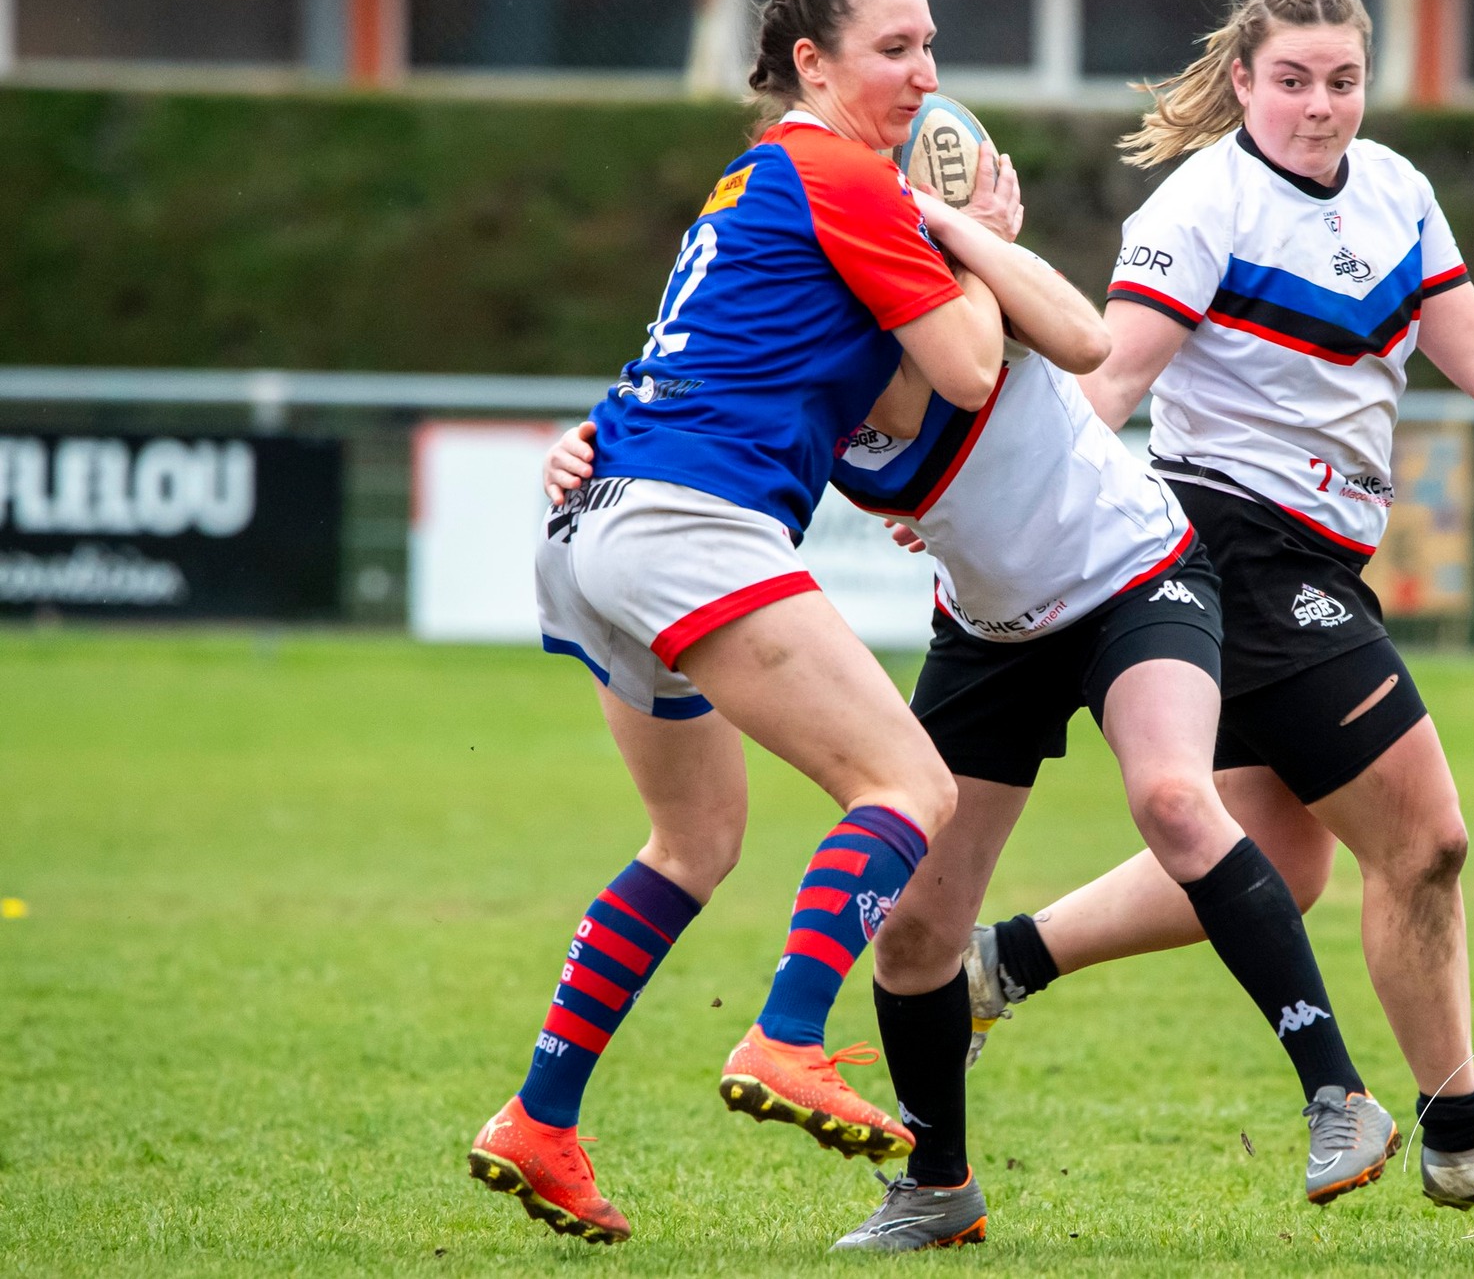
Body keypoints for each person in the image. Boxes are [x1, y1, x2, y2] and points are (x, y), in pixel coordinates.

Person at [960, 0, 1474, 1222]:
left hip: (1314, 557)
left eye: (1342, 81)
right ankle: (1465, 1134)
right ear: (1244, 82)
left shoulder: (1393, 190)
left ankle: (997, 964)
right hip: (1234, 545)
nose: (1320, 106)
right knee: (1426, 840)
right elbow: (1106, 381)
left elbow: (1472, 343)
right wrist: (981, 491)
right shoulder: (1200, 204)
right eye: (1292, 82)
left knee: (1275, 862)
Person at [542, 168, 1403, 1253]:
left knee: (1175, 797)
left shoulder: (956, 290)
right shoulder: (812, 364)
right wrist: (584, 443)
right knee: (912, 930)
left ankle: (1337, 1095)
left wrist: (969, 231)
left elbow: (1088, 342)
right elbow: (690, 402)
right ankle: (937, 1186)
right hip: (991, 632)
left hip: (1137, 577)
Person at [464, 0, 1054, 1245]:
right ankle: (788, 1035)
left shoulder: (759, 179)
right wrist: (984, 244)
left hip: (596, 522)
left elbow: (887, 396)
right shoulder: (843, 172)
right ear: (812, 61)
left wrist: (950, 251)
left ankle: (539, 1124)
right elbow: (966, 371)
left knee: (694, 843)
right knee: (910, 787)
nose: (926, 72)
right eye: (895, 48)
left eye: (930, 45)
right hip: (689, 527)